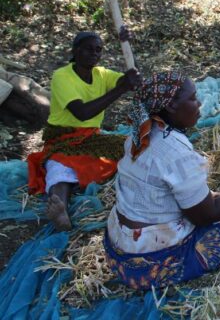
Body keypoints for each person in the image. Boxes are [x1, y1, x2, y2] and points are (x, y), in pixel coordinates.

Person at [104, 72, 220, 289]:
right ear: (172, 106)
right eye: (193, 98)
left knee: (218, 200)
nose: (200, 103)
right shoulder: (176, 151)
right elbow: (205, 216)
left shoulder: (138, 134)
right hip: (149, 265)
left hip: (117, 253)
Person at [27, 28, 141, 231]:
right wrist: (121, 89)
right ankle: (58, 205)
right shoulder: (62, 76)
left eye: (98, 50)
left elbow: (132, 80)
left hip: (92, 138)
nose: (94, 54)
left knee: (132, 147)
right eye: (88, 49)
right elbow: (82, 113)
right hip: (63, 138)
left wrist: (127, 46)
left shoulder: (101, 74)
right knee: (60, 167)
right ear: (76, 51)